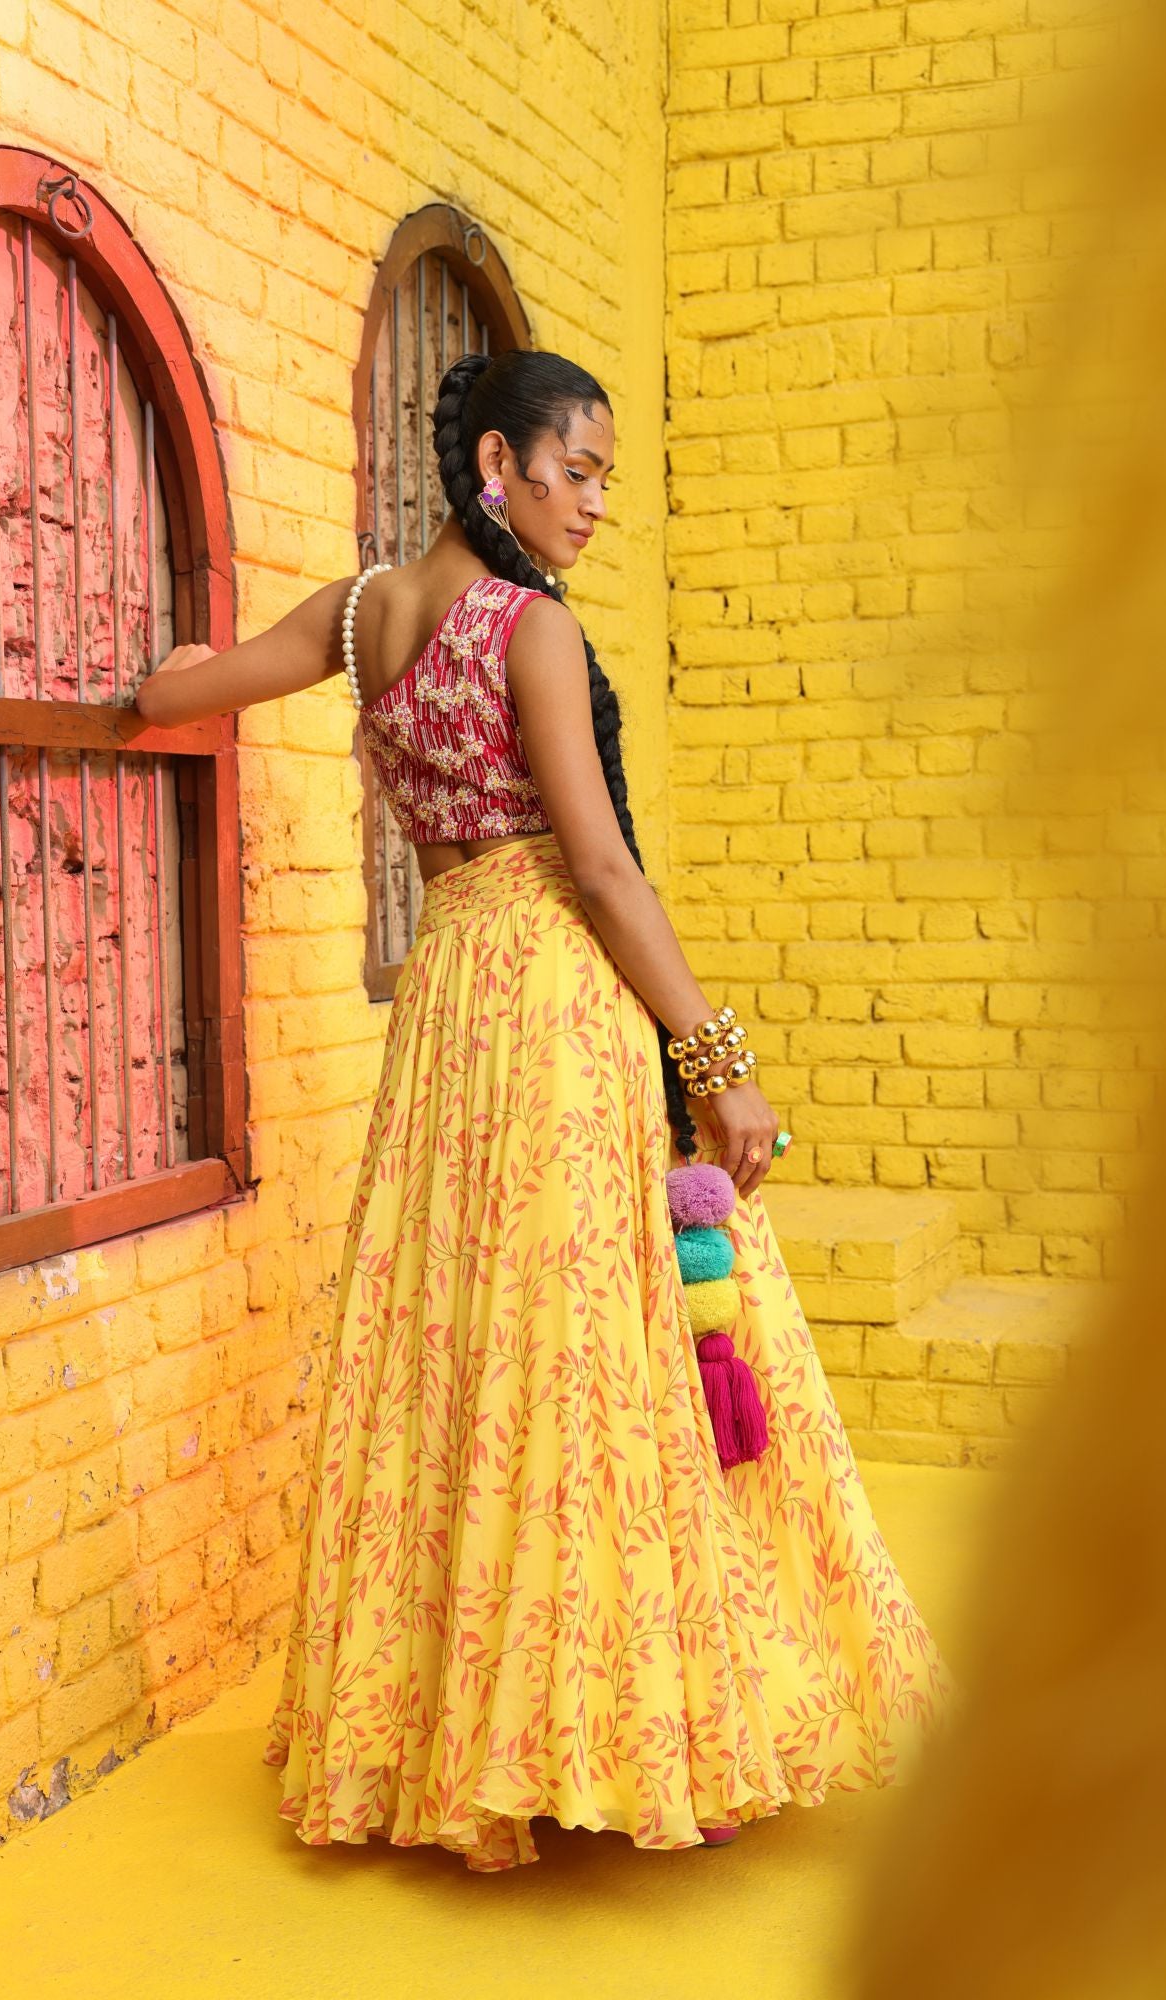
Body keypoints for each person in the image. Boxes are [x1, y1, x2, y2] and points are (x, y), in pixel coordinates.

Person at [134, 348, 952, 1874]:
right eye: (574, 473)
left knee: (458, 1346)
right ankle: (601, 1728)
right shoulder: (532, 634)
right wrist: (720, 1064)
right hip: (561, 1015)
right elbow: (604, 872)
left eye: (604, 485)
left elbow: (194, 688)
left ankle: (458, 1739)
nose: (591, 507)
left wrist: (153, 677)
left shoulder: (366, 609)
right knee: (589, 1350)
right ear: (497, 462)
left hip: (449, 1008)